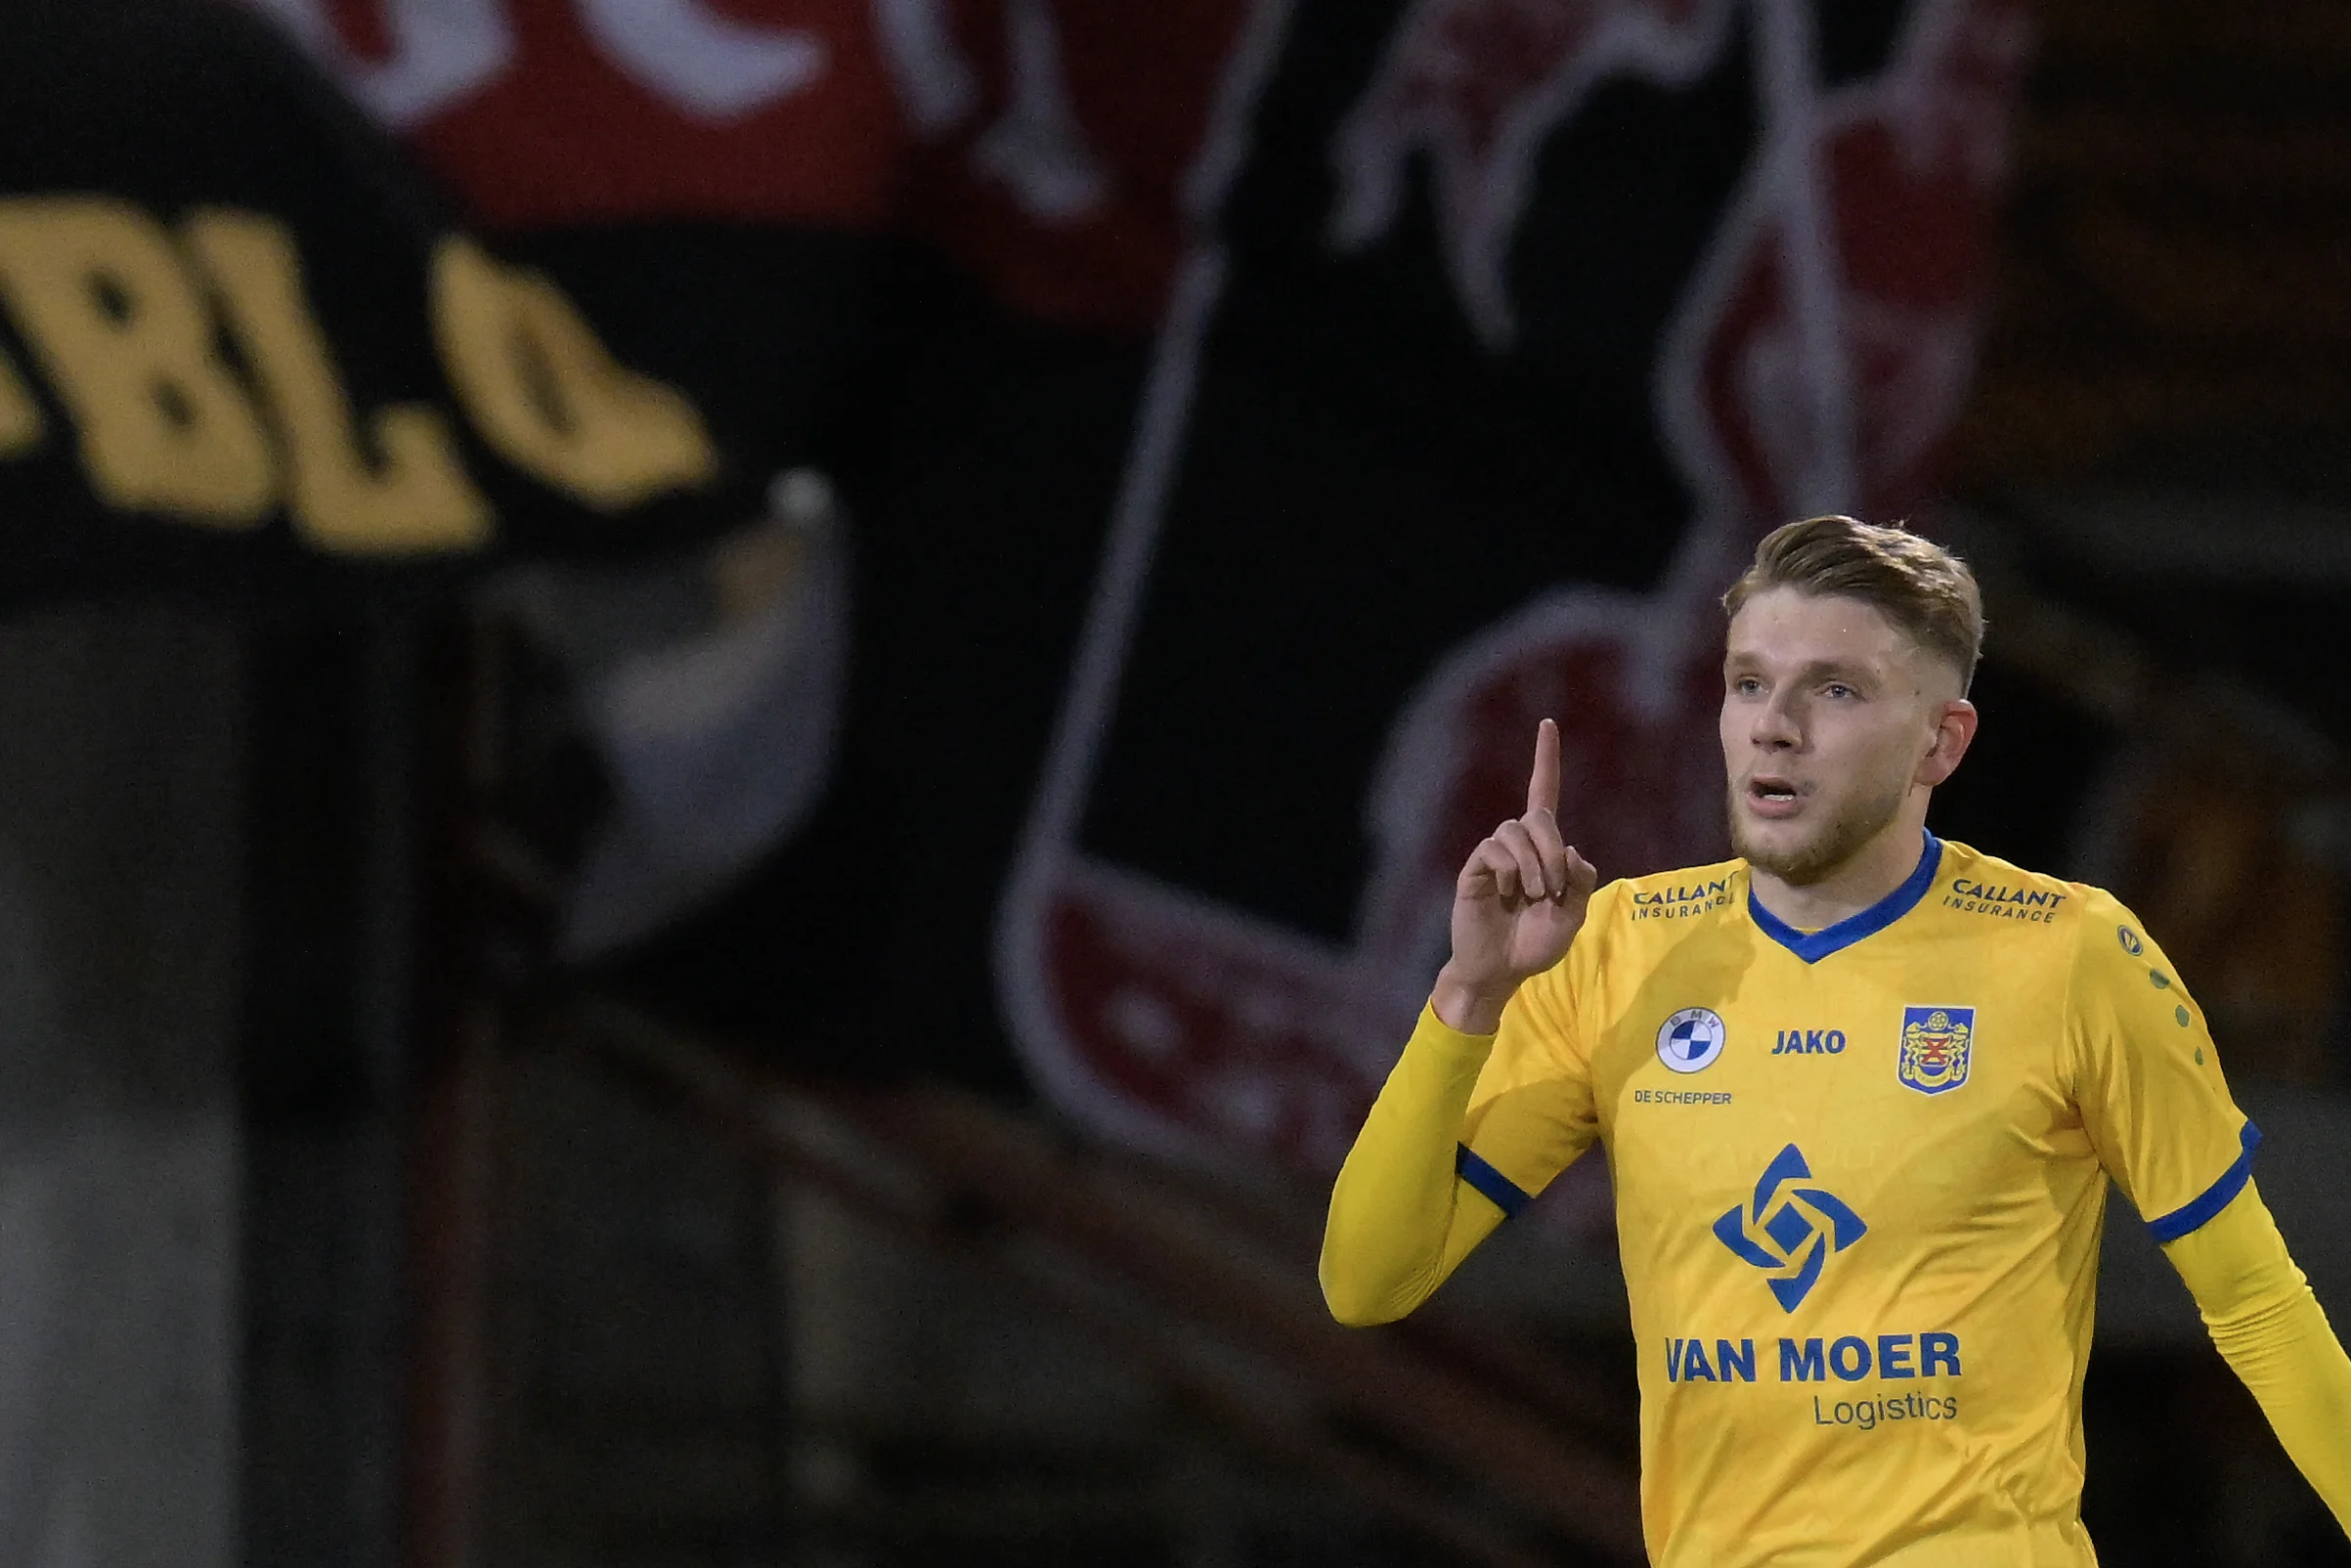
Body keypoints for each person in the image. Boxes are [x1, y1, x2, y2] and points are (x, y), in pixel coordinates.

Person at [1320, 516, 2351, 1565]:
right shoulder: (1618, 950)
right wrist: (1464, 998)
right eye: (1748, 683)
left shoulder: (2071, 953)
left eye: (1834, 690)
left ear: (1938, 741)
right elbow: (1366, 1281)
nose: (1774, 725)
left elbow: (2255, 1304)